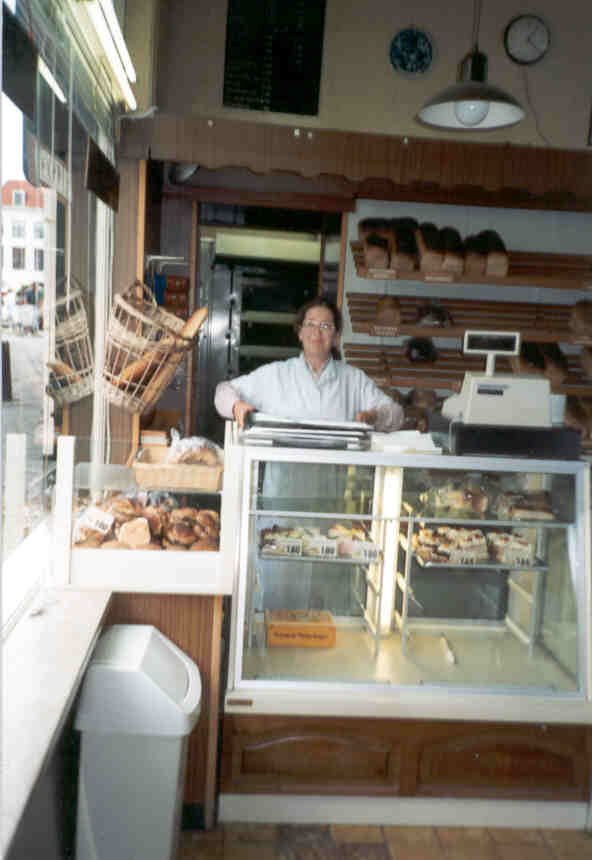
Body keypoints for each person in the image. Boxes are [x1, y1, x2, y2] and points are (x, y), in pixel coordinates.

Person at [215, 296, 405, 431]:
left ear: (336, 336)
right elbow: (223, 391)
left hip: (337, 473)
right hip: (282, 474)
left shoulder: (354, 379)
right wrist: (236, 406)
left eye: (325, 326)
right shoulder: (275, 374)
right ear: (300, 332)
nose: (316, 333)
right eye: (310, 324)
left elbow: (397, 415)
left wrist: (375, 417)